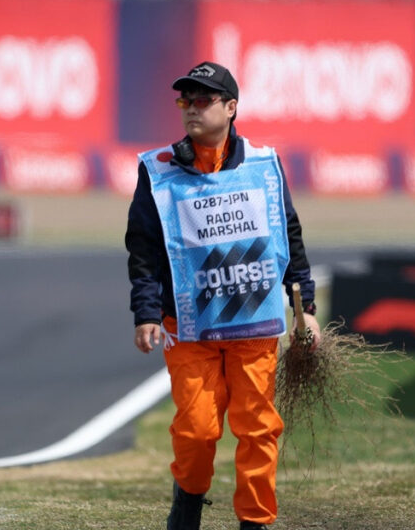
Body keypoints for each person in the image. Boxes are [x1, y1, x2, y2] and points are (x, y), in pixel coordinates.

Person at [125, 61, 320, 530]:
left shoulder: (264, 163)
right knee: (197, 430)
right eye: (184, 101)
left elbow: (288, 234)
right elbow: (144, 246)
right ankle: (188, 501)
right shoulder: (159, 169)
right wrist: (146, 311)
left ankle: (255, 521)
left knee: (257, 428)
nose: (190, 109)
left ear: (231, 108)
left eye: (202, 99)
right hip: (189, 326)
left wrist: (306, 309)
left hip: (255, 324)